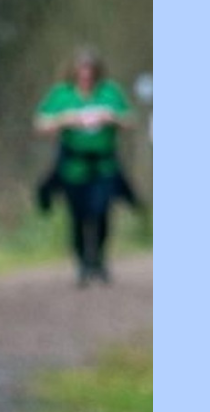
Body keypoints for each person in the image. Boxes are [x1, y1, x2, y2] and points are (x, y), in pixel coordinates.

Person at [32, 48, 135, 285]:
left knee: (101, 211)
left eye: (90, 70)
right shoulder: (62, 94)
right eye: (81, 70)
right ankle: (82, 262)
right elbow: (40, 123)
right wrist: (64, 119)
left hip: (104, 164)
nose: (86, 75)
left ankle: (98, 258)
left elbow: (130, 119)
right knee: (77, 215)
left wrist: (113, 118)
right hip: (73, 166)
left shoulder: (109, 92)